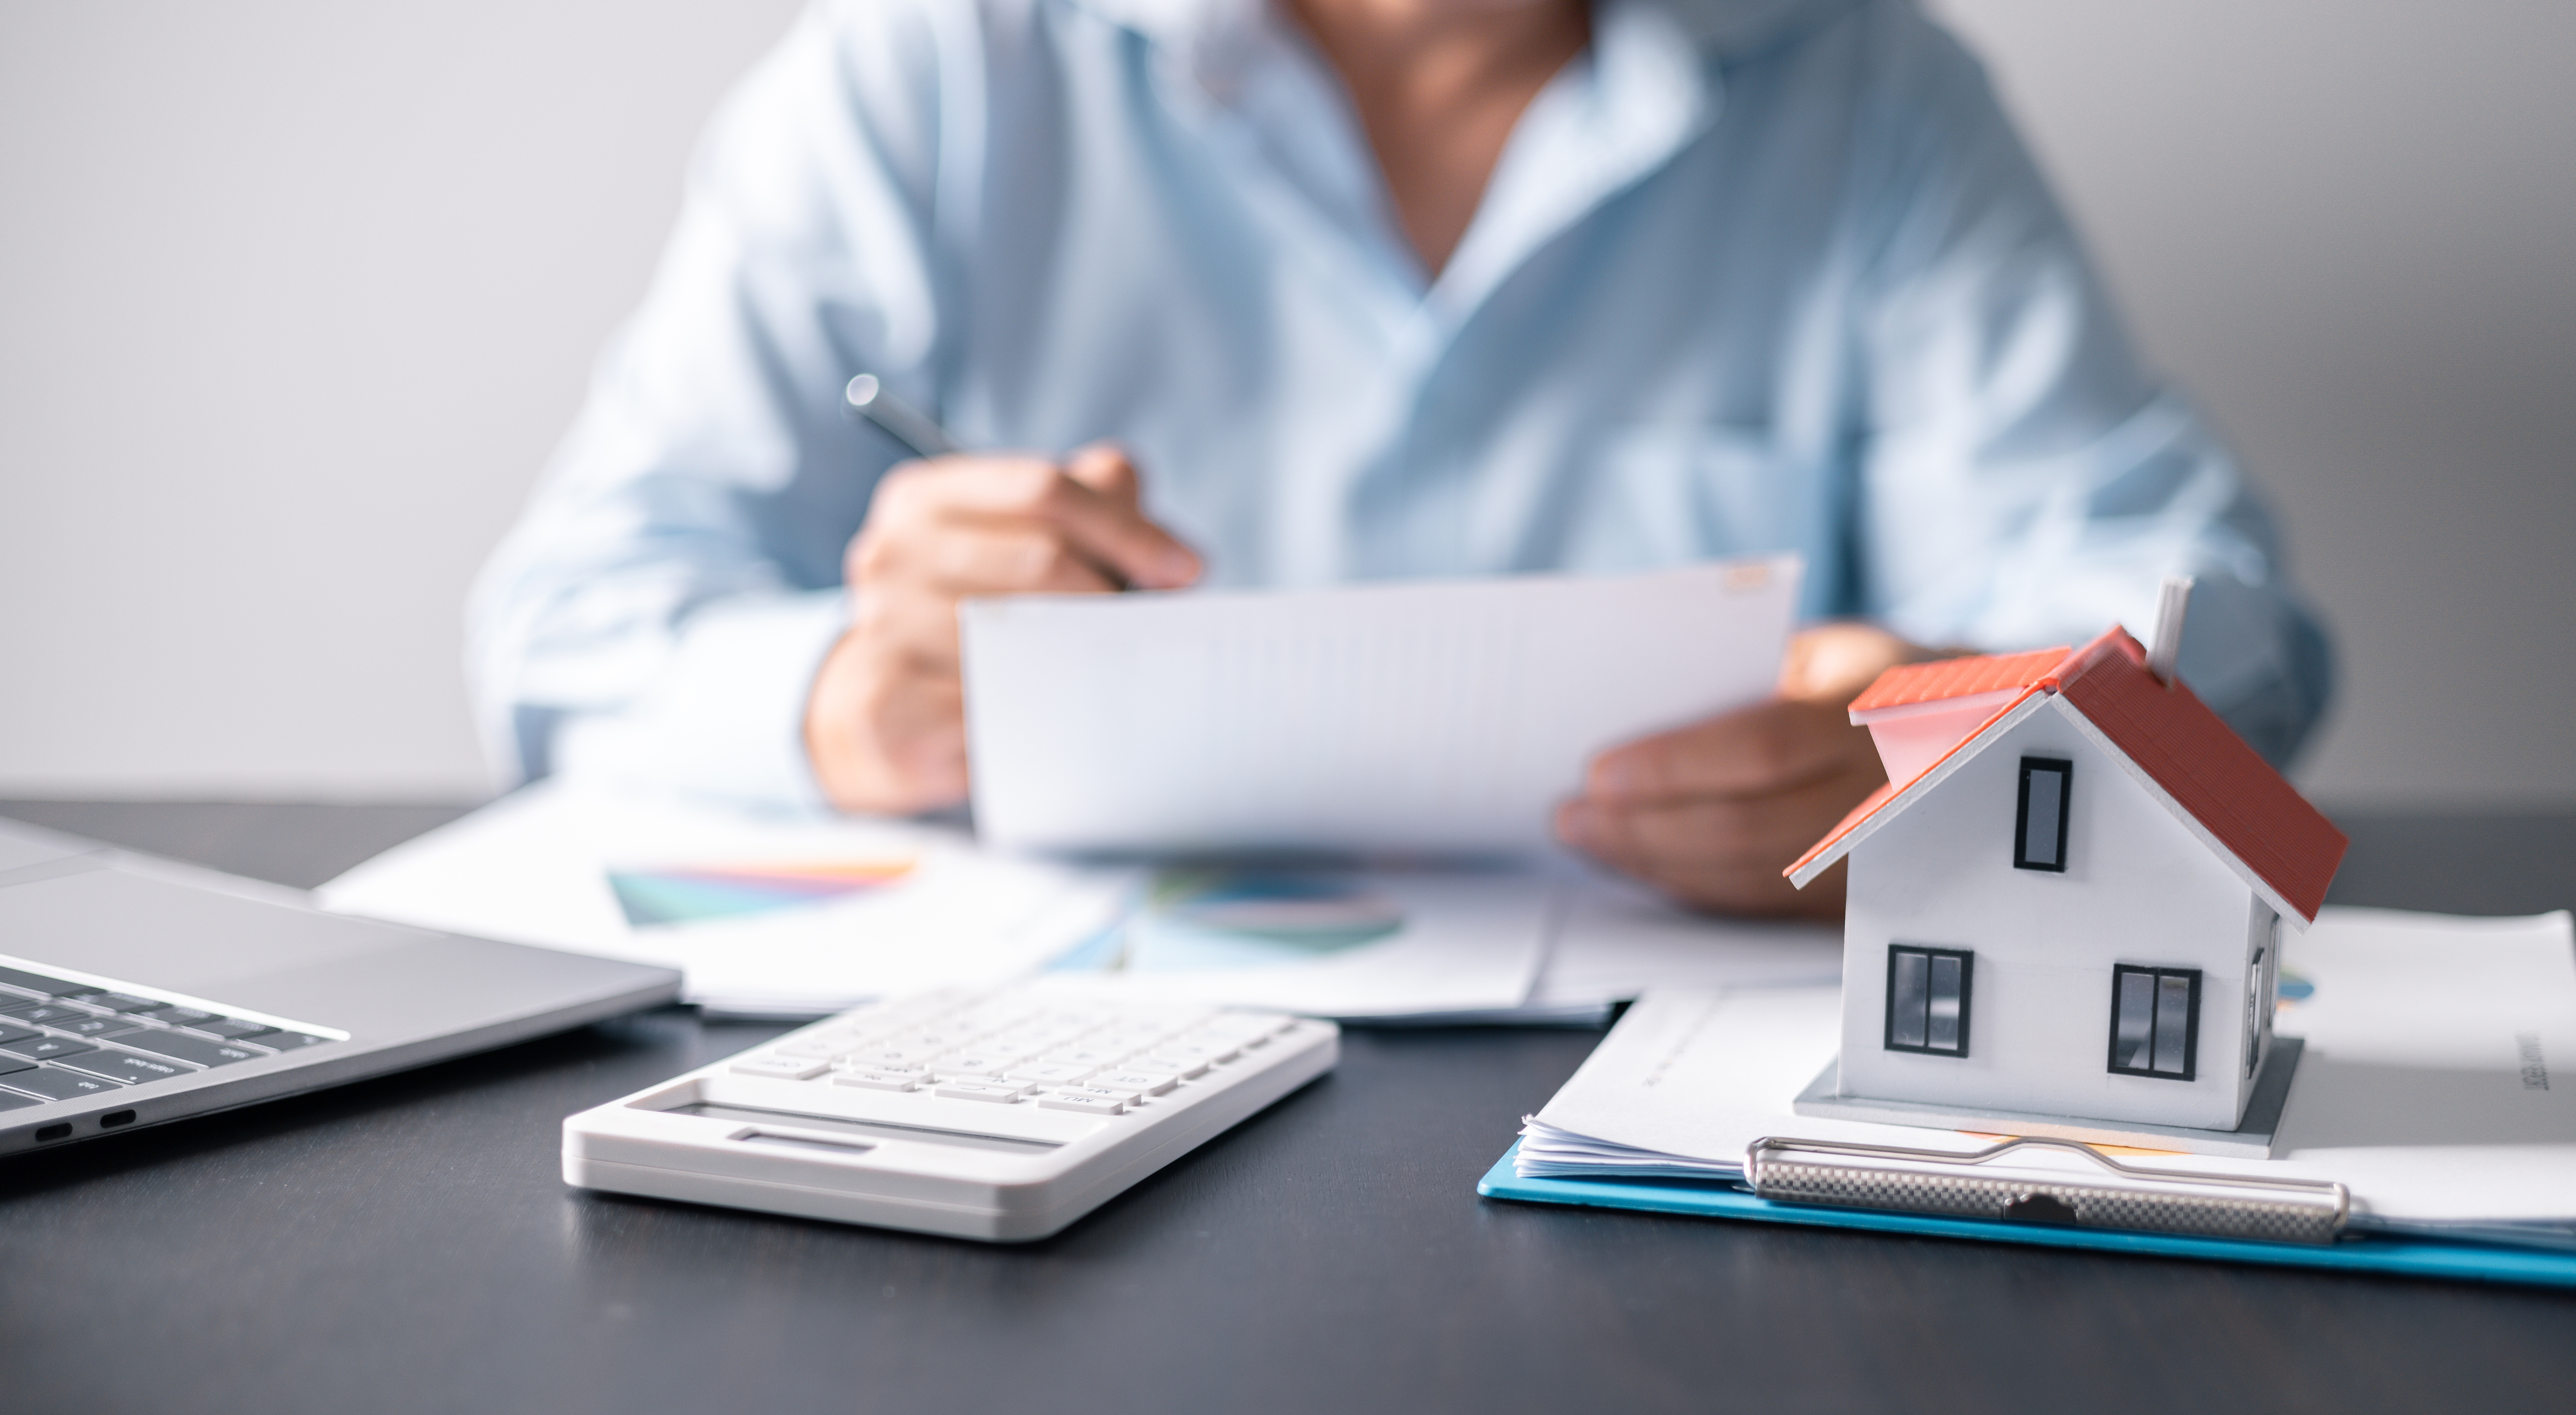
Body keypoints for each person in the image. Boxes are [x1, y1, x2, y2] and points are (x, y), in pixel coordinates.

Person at [470, 0, 2331, 919]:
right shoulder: (936, 69)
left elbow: (2221, 628)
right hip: (1026, 1100)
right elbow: (569, 624)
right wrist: (839, 703)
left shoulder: (1867, 95)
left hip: (1674, 1135)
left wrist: (1940, 751)